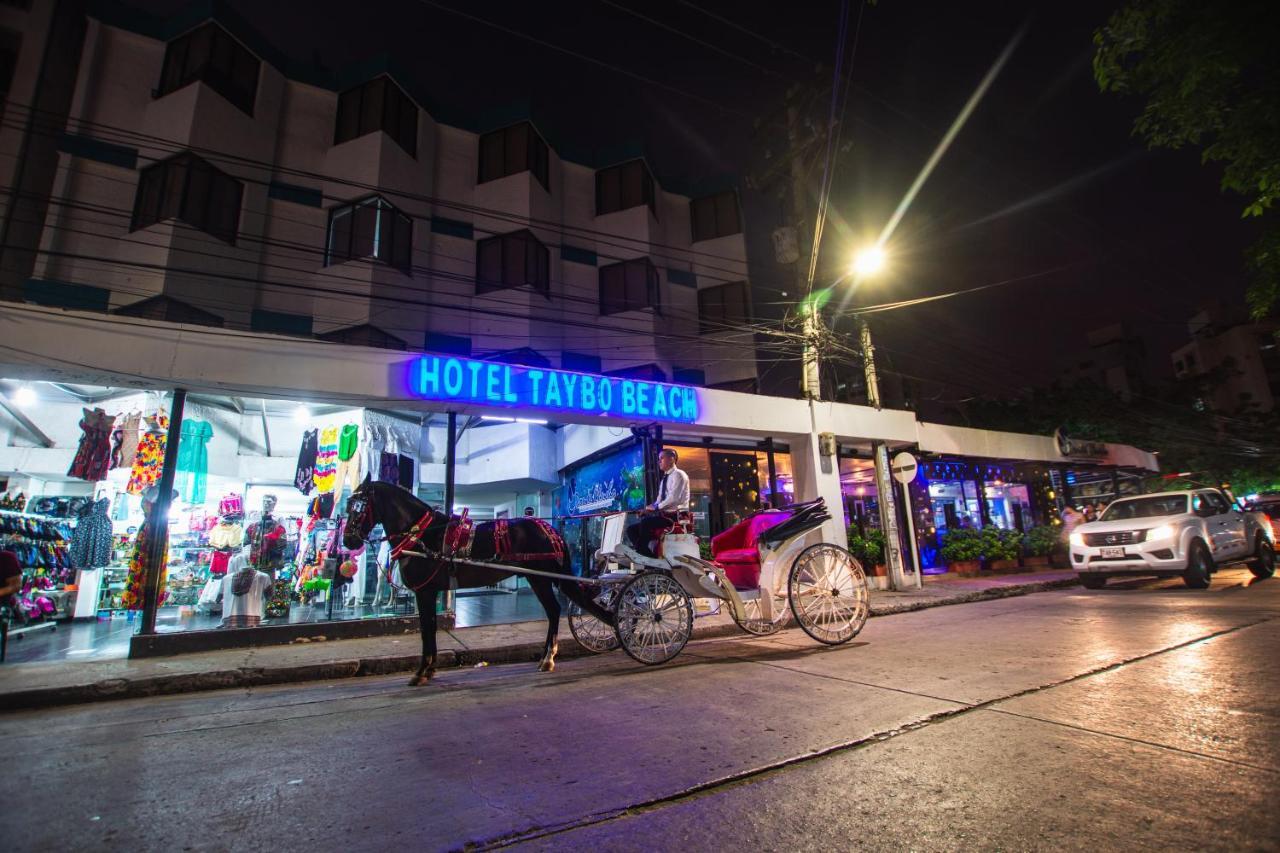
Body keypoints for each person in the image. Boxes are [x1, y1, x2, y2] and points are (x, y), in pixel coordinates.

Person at [626, 448, 690, 558]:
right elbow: (658, 501)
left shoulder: (679, 475)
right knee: (631, 529)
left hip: (675, 518)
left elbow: (673, 498)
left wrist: (655, 508)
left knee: (646, 523)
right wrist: (647, 510)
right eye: (659, 459)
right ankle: (647, 556)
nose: (659, 461)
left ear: (672, 459)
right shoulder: (664, 479)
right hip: (664, 517)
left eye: (661, 458)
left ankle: (641, 553)